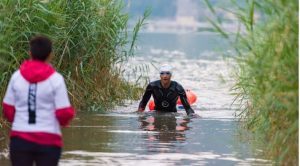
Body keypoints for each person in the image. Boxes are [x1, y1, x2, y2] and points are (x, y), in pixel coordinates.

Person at [2, 35, 75, 166]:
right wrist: (62, 122)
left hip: (20, 140)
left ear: (30, 53)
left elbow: (8, 110)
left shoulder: (16, 77)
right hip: (49, 141)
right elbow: (64, 113)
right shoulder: (56, 79)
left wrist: (20, 120)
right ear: (50, 55)